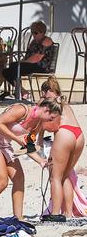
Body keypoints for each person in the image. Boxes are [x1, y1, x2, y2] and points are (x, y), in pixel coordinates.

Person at [0, 99, 63, 220]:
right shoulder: (22, 110)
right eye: (51, 118)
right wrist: (16, 139)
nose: (50, 121)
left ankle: (18, 218)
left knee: (19, 178)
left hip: (5, 145)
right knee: (1, 182)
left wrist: (41, 161)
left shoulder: (37, 124)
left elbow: (29, 145)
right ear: (46, 110)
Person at [38, 77, 85, 220]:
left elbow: (41, 120)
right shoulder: (64, 101)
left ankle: (55, 213)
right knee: (66, 175)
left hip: (64, 135)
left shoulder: (47, 103)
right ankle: (68, 213)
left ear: (46, 91)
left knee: (55, 178)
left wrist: (39, 138)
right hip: (79, 135)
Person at [2, 21, 54, 100]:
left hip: (41, 67)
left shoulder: (47, 41)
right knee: (5, 71)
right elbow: (28, 56)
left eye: (36, 33)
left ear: (42, 32)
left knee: (15, 66)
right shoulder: (34, 42)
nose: (33, 35)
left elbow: (37, 57)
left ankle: (19, 92)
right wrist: (22, 62)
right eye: (32, 32)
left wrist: (22, 62)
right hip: (32, 65)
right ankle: (22, 91)